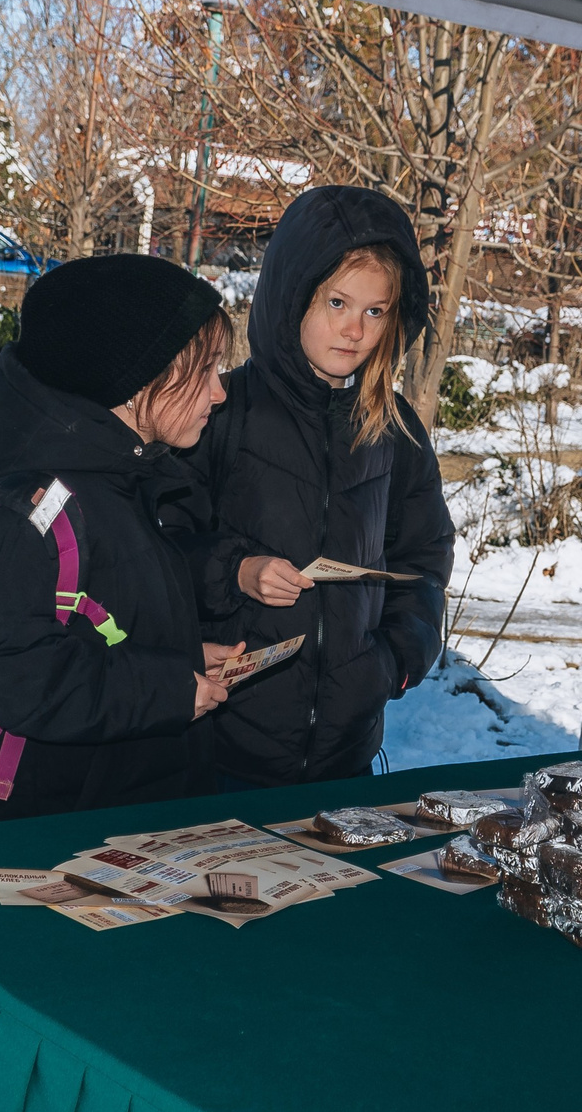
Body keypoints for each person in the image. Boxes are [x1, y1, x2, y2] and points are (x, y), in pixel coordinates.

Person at [0, 254, 235, 821]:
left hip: (128, 826)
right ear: (132, 378)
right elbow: (19, 672)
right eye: (203, 370)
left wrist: (180, 661)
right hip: (59, 840)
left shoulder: (125, 481)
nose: (218, 393)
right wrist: (166, 690)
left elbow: (97, 627)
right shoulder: (28, 513)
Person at [175, 186, 453, 786]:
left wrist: (392, 663)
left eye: (374, 311)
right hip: (220, 748)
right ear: (292, 295)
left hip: (345, 757)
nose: (354, 330)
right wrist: (237, 570)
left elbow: (423, 561)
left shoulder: (396, 427)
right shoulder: (221, 411)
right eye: (336, 302)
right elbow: (157, 546)